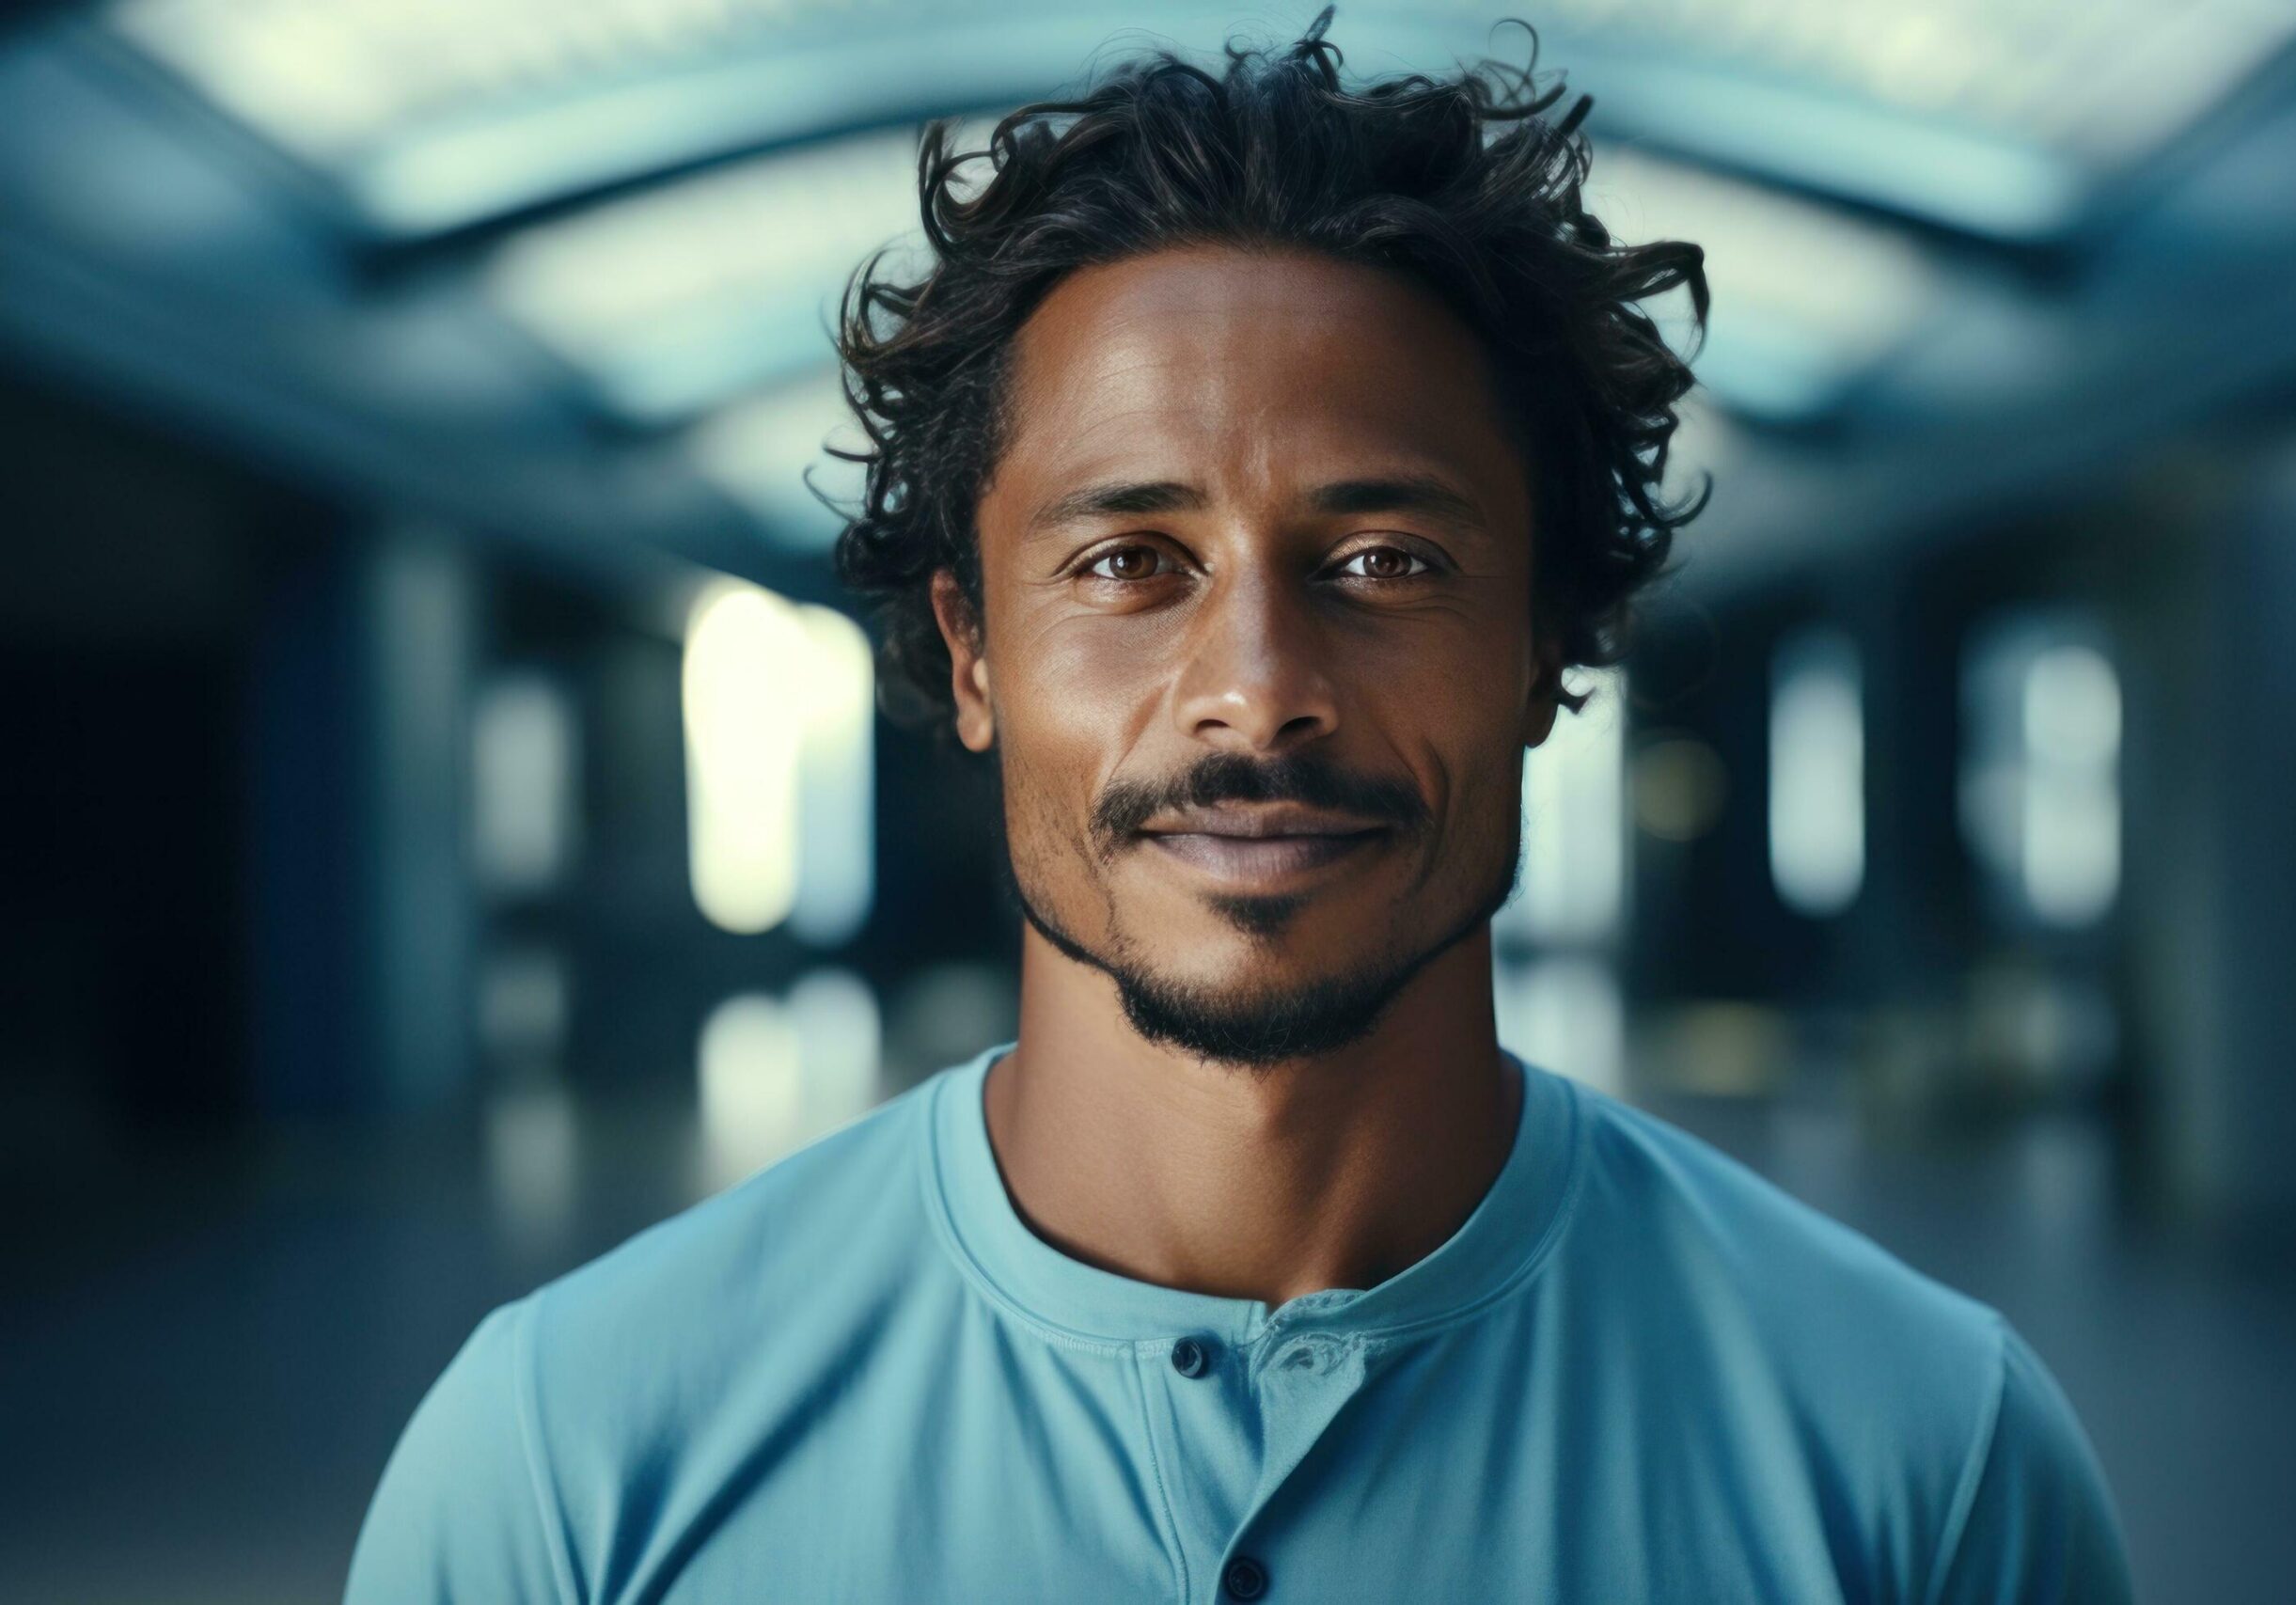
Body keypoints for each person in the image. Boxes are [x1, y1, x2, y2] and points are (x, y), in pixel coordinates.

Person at [347, 10, 2134, 1600]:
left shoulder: (1925, 1464)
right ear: (970, 654)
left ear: (1542, 646)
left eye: (1385, 558)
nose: (1258, 684)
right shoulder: (570, 1467)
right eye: (1132, 560)